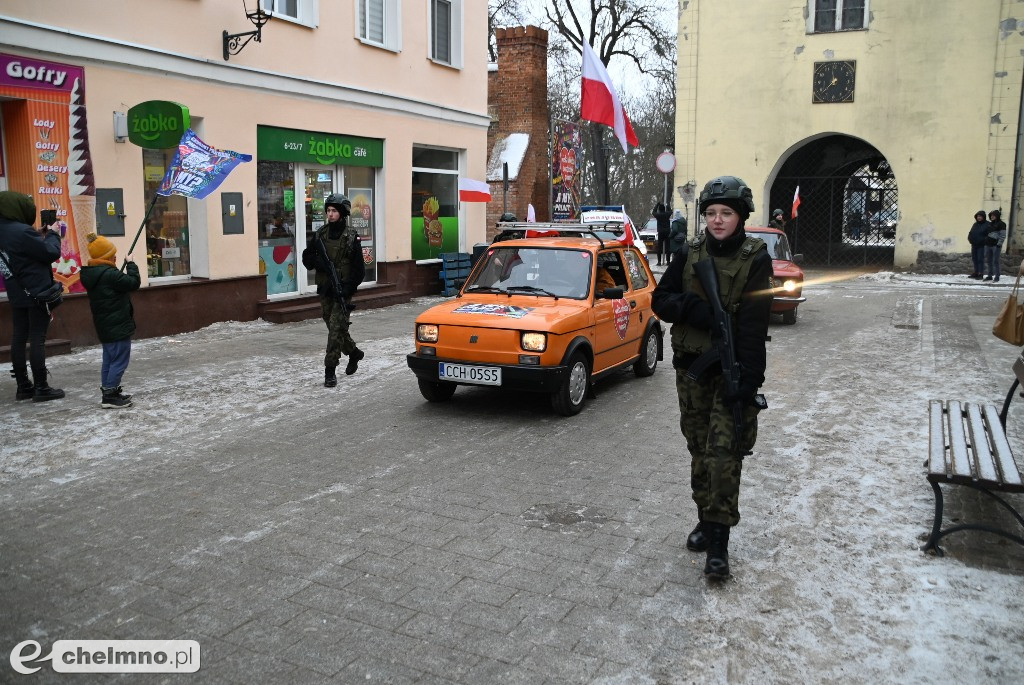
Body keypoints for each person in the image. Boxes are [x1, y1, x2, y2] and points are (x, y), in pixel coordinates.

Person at [651, 175, 772, 580]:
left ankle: (719, 542)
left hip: (731, 373)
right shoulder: (690, 251)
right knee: (699, 451)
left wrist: (749, 382)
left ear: (741, 217)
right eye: (711, 213)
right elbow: (659, 300)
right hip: (691, 370)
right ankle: (705, 518)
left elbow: (755, 326)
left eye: (726, 213)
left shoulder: (755, 258)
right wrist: (691, 308)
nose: (718, 221)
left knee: (724, 456)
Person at [0, 191, 64, 401]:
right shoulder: (21, 231)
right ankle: (42, 388)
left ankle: (23, 386)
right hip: (36, 291)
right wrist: (53, 234)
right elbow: (50, 253)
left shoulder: (6, 230)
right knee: (37, 338)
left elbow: (21, 251)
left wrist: (38, 234)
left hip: (16, 291)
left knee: (19, 337)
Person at [301, 194, 365, 387]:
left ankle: (330, 371)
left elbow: (359, 269)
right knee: (333, 327)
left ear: (342, 213)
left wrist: (348, 289)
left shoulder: (352, 236)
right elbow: (307, 257)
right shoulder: (321, 234)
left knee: (335, 330)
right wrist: (318, 263)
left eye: (334, 211)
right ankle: (354, 353)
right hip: (326, 289)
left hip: (343, 290)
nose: (330, 214)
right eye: (328, 210)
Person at [80, 233, 141, 408]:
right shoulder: (110, 275)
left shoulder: (94, 274)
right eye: (112, 254)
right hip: (117, 325)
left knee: (109, 359)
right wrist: (130, 263)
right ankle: (110, 395)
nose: (115, 257)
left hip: (105, 325)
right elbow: (133, 282)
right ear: (106, 257)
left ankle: (109, 390)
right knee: (120, 359)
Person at [985, 210, 1007, 282]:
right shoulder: (989, 224)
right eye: (991, 215)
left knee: (995, 261)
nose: (992, 216)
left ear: (997, 216)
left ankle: (997, 276)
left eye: (994, 215)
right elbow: (987, 234)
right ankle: (990, 275)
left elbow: (1003, 235)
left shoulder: (1002, 224)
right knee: (989, 261)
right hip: (988, 245)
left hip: (996, 246)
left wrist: (999, 244)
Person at [968, 210, 989, 279]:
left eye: (980, 216)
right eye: (978, 216)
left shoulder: (987, 224)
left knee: (980, 259)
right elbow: (971, 233)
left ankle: (981, 273)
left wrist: (983, 241)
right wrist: (970, 239)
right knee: (974, 259)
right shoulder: (975, 224)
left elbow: (988, 235)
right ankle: (976, 272)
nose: (979, 218)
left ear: (983, 217)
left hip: (981, 245)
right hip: (974, 245)